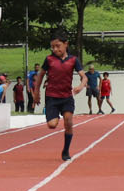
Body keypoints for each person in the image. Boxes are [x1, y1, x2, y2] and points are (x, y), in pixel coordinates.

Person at [33, 32, 85, 161]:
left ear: (66, 44)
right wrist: (36, 92)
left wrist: (80, 86)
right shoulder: (49, 59)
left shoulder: (73, 60)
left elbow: (84, 76)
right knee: (52, 125)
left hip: (66, 96)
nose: (55, 49)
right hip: (52, 96)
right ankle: (54, 115)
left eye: (58, 46)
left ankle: (66, 151)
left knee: (68, 121)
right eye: (53, 47)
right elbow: (40, 75)